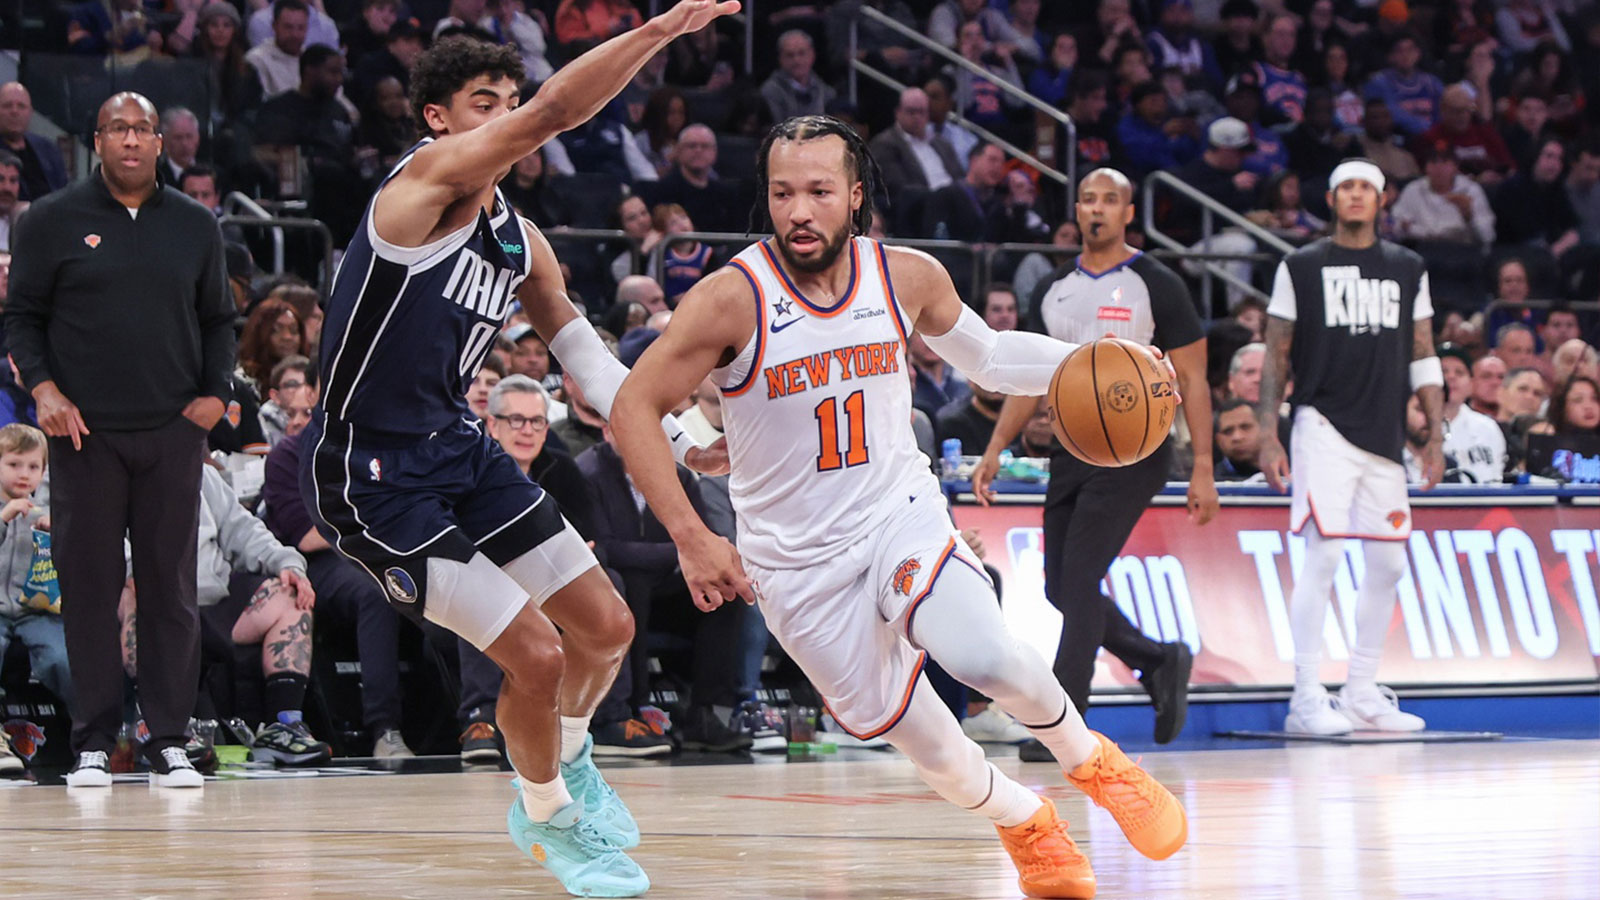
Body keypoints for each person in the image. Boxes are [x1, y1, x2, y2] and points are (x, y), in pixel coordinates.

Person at [612, 116, 1187, 900]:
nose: (800, 212)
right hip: (795, 566)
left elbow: (989, 357)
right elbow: (634, 407)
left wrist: (1101, 363)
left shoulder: (905, 276)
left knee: (986, 656)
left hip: (896, 513)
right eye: (783, 193)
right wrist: (691, 534)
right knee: (941, 758)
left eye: (819, 192)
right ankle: (1026, 820)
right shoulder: (729, 300)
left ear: (855, 195)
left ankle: (1095, 761)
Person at [298, 4, 736, 892]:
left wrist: (685, 437)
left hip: (456, 451)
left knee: (607, 628)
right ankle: (544, 821)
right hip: (371, 477)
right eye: (481, 103)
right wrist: (654, 35)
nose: (502, 115)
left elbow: (591, 366)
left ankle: (567, 761)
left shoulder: (522, 242)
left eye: (508, 98)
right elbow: (552, 116)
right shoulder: (416, 191)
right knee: (536, 654)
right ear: (438, 120)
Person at [6, 92, 236, 789]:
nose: (131, 140)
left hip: (171, 430)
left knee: (170, 588)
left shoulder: (197, 224)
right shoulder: (50, 220)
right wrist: (43, 391)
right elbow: (21, 318)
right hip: (84, 434)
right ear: (95, 141)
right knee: (90, 584)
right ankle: (94, 743)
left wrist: (215, 395)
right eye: (118, 129)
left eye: (143, 129)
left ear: (161, 142)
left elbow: (220, 319)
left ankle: (169, 737)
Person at [976, 167, 1213, 752]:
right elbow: (1030, 376)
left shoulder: (1157, 282)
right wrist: (994, 449)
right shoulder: (1052, 289)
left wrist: (1203, 465)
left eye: (1110, 199)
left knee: (1079, 578)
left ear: (1129, 212)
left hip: (1137, 449)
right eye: (1088, 199)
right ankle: (1157, 659)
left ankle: (1065, 725)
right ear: (1076, 211)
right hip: (1072, 448)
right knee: (1061, 586)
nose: (1098, 209)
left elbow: (1195, 378)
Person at [1256, 157, 1444, 736]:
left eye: (1367, 187)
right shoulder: (1302, 264)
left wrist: (1434, 433)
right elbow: (1275, 353)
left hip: (1385, 436)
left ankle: (1362, 689)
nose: (1357, 196)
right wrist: (1268, 432)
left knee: (1388, 562)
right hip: (1322, 426)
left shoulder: (1409, 267)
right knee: (1326, 557)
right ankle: (1306, 696)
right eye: (1347, 188)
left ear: (1382, 200)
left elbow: (1423, 350)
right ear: (1333, 199)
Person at [121, 465, 328, 766]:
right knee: (133, 593)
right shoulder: (119, 472)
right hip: (153, 593)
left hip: (211, 593)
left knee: (291, 595)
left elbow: (245, 531)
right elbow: (106, 543)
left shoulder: (203, 474)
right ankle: (159, 727)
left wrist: (288, 564)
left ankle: (284, 725)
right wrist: (132, 569)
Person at [0, 424, 70, 723]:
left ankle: (89, 734)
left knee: (63, 660)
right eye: (14, 465)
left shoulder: (51, 510)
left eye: (33, 466)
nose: (23, 474)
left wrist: (60, 532)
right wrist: (4, 517)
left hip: (39, 612)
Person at [1436, 345, 1506, 484]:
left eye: (1460, 372)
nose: (1451, 377)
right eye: (1443, 371)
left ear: (1471, 384)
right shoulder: (1416, 427)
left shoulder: (1488, 428)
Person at [0, 84, 65, 203]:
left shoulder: (48, 149)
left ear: (30, 112)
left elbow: (65, 192)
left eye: (21, 106)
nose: (14, 111)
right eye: (7, 106)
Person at [760, 31, 836, 123]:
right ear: (780, 59)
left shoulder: (827, 93)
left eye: (802, 53)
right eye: (790, 55)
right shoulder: (770, 92)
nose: (797, 60)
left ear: (812, 55)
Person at [1213, 398, 1262, 480]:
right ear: (1218, 440)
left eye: (1245, 427)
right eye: (1227, 431)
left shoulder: (1288, 474)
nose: (1237, 437)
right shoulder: (1211, 483)